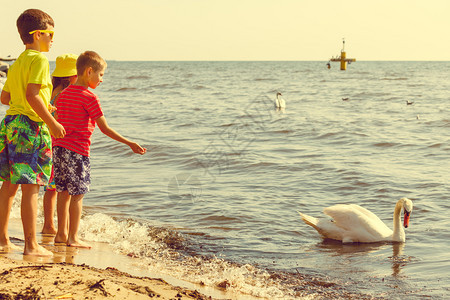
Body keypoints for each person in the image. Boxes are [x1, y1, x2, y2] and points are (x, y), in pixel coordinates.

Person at [53, 51, 146, 248]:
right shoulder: (89, 97)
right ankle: (73, 237)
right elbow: (105, 128)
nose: (102, 80)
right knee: (77, 195)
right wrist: (129, 143)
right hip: (77, 152)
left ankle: (61, 234)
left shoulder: (62, 95)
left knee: (62, 192)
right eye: (101, 75)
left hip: (59, 149)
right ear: (89, 72)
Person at [0, 9, 66, 256]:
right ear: (37, 34)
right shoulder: (38, 60)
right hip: (30, 127)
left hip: (11, 124)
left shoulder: (18, 62)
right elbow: (32, 94)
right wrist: (51, 121)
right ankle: (31, 245)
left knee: (8, 185)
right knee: (31, 185)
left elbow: (5, 97)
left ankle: (3, 240)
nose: (52, 39)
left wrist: (41, 102)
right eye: (50, 34)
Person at [42, 54, 78, 235]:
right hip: (61, 145)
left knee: (51, 188)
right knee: (60, 188)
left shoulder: (51, 91)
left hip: (48, 143)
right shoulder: (66, 94)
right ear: (73, 76)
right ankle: (53, 227)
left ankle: (48, 224)